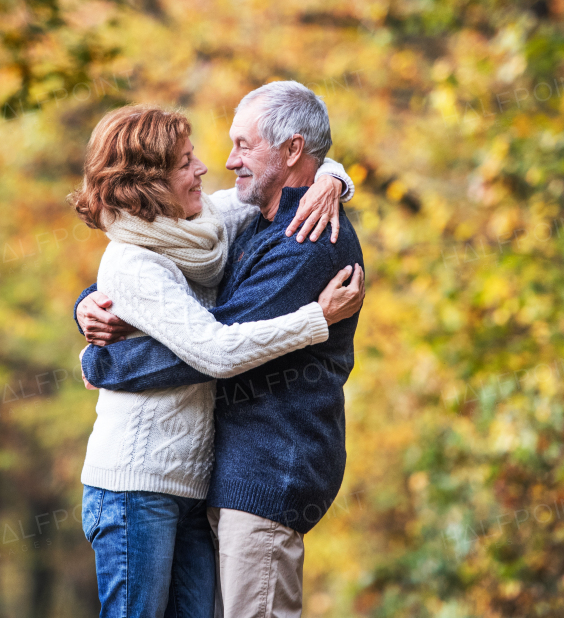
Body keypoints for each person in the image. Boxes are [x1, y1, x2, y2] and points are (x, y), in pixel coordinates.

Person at [77, 81, 366, 618]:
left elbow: (215, 337)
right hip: (140, 482)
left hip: (218, 478)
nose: (213, 166)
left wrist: (334, 177)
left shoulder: (230, 228)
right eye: (188, 163)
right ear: (152, 183)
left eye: (239, 145)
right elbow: (205, 338)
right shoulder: (152, 252)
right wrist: (90, 318)